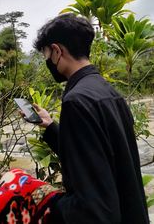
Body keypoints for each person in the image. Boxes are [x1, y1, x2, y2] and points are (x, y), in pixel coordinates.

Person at [32, 13, 149, 224]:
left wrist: (47, 202)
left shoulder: (75, 101)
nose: (48, 61)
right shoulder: (108, 92)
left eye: (47, 55)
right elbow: (97, 156)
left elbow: (93, 209)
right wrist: (50, 126)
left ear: (57, 51)